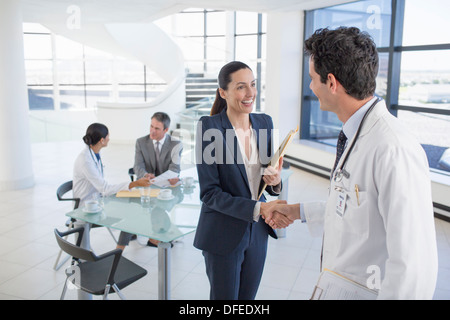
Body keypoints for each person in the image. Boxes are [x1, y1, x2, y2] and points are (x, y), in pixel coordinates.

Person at [264, 27, 438, 299]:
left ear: (331, 82)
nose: (310, 87)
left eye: (313, 79)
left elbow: (414, 266)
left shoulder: (393, 147)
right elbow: (357, 211)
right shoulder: (355, 133)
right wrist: (299, 211)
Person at [194, 61, 288, 300]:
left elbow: (269, 180)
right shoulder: (209, 128)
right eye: (241, 87)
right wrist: (259, 207)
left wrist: (276, 180)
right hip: (223, 233)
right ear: (223, 93)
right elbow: (209, 193)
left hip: (257, 232)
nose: (250, 93)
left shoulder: (264, 123)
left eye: (253, 85)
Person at [73, 123, 151, 249]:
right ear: (102, 140)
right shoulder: (86, 160)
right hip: (86, 207)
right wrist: (135, 183)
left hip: (98, 200)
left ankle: (119, 250)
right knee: (129, 213)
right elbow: (104, 189)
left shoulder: (94, 153)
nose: (109, 138)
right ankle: (118, 253)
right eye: (108, 135)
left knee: (133, 208)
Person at [118, 112, 183, 249]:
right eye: (151, 126)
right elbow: (137, 166)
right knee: (132, 210)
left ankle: (159, 235)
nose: (152, 131)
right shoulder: (141, 142)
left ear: (166, 130)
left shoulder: (175, 144)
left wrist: (172, 178)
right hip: (146, 185)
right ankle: (147, 236)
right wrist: (145, 174)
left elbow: (175, 167)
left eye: (157, 128)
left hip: (166, 187)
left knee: (169, 202)